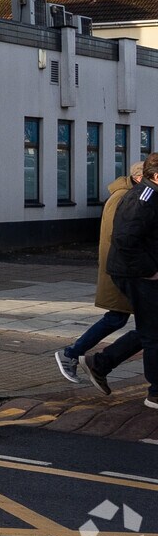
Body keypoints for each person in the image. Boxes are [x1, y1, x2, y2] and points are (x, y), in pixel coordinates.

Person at [65, 161, 144, 387]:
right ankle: (76, 355)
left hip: (123, 271)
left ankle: (78, 356)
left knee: (121, 320)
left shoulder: (128, 195)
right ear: (140, 178)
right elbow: (119, 239)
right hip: (122, 272)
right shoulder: (123, 198)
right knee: (129, 322)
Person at [103, 154, 158, 408]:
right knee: (153, 333)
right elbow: (125, 239)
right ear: (156, 175)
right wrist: (149, 270)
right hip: (136, 274)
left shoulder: (151, 195)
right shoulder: (144, 198)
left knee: (150, 329)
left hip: (140, 272)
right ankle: (155, 393)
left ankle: (100, 363)